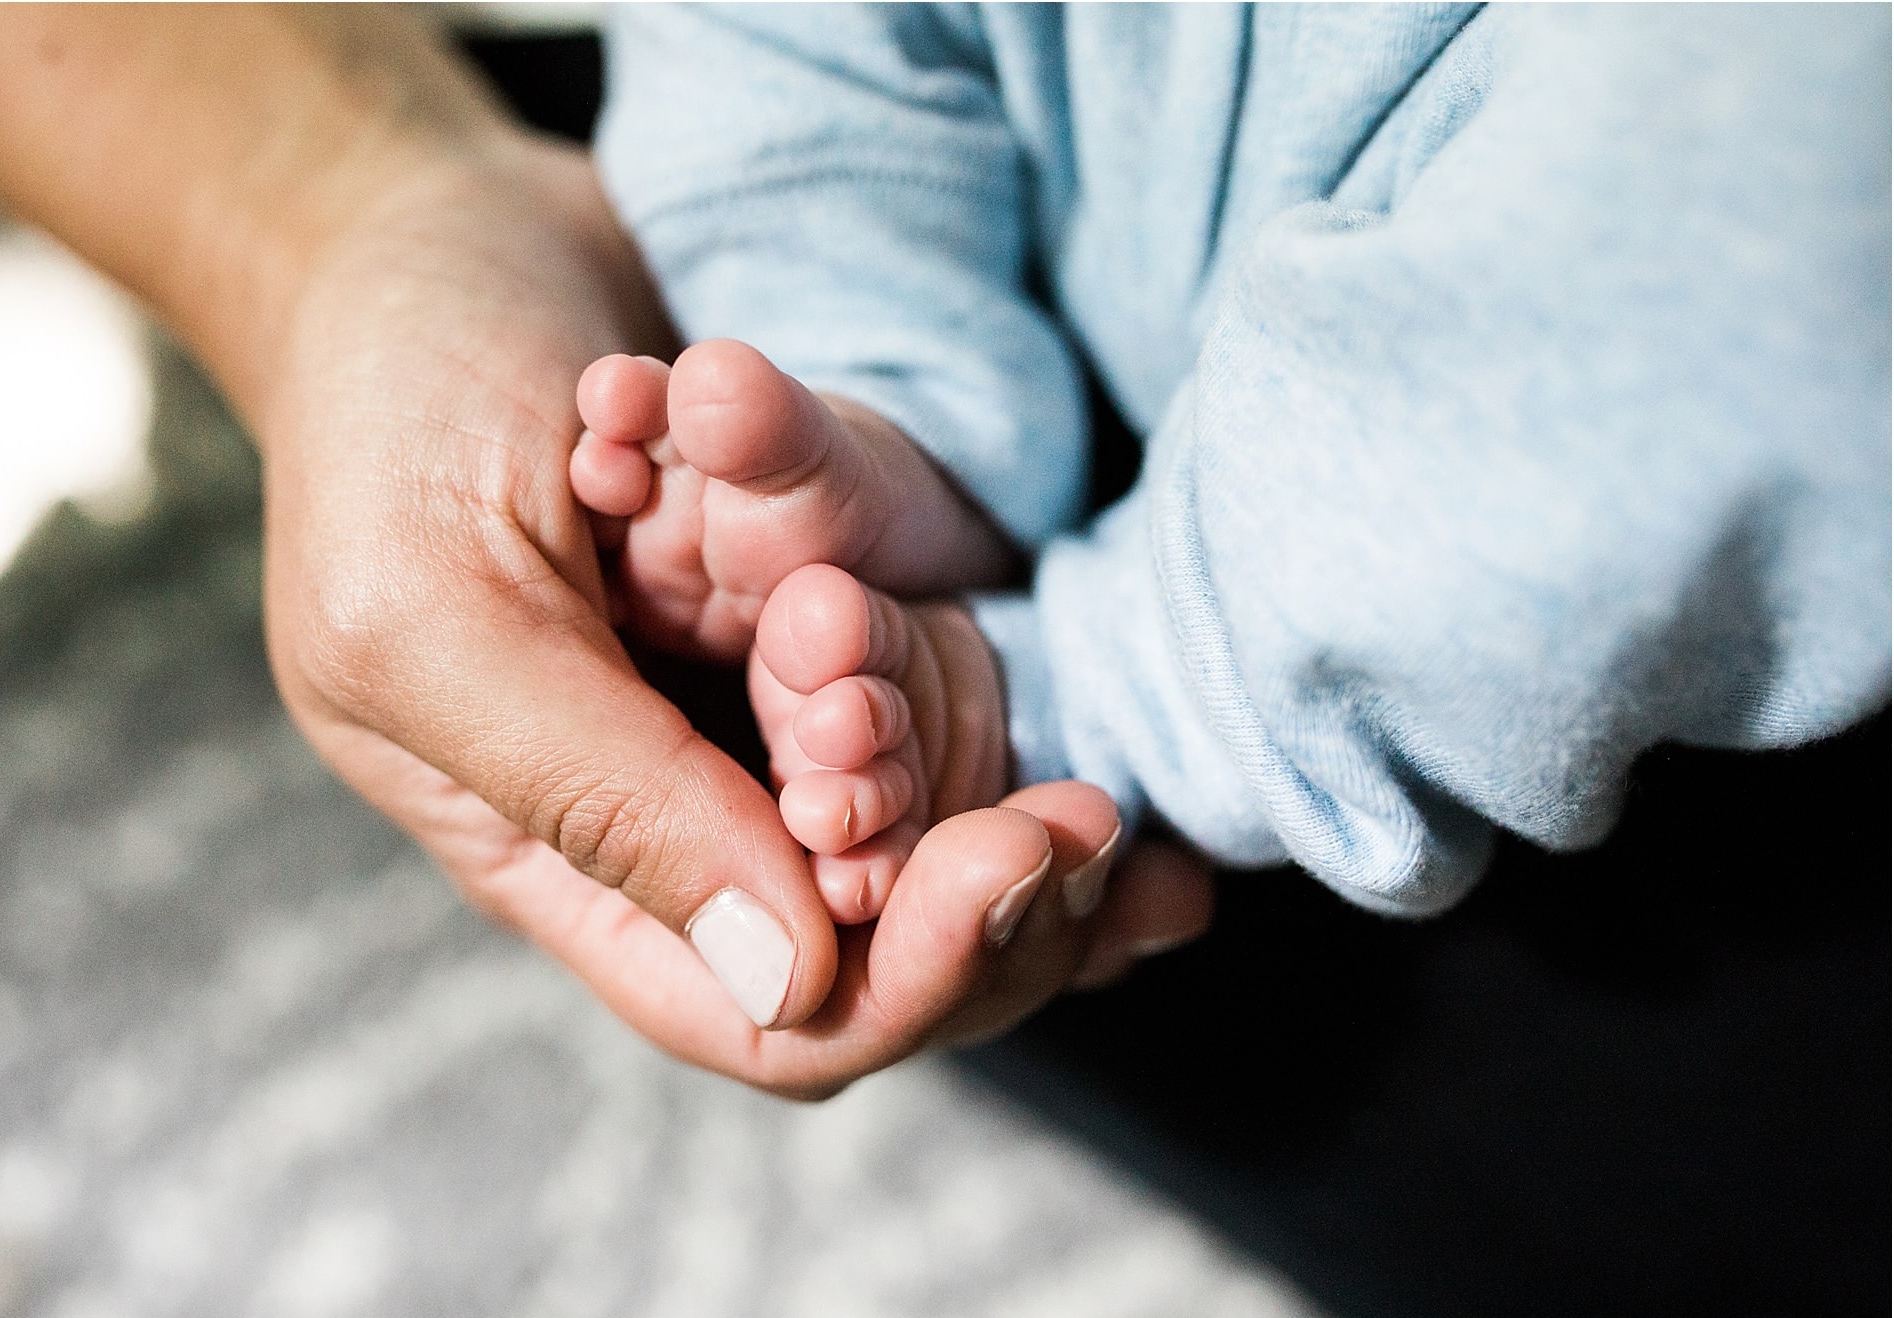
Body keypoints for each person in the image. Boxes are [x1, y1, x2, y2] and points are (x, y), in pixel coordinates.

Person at [0, 5, 1201, 1098]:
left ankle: (918, 500)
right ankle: (896, 432)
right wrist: (345, 222)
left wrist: (1077, 685)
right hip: (607, 142)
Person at [574, 4, 1890, 922]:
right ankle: (885, 381)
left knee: (1733, 215)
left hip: (1544, 275)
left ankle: (1125, 677)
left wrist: (1125, 680)